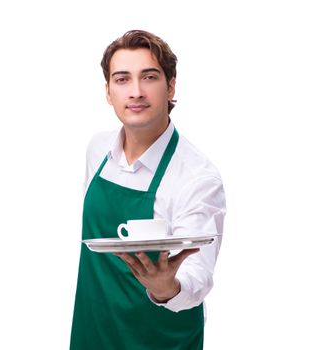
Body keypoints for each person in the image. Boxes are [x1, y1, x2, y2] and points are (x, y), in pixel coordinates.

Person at [70, 29, 226, 350]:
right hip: (94, 329)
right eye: (122, 79)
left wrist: (167, 287)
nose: (136, 92)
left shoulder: (197, 177)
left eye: (150, 77)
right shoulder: (97, 150)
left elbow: (199, 272)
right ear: (108, 91)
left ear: (170, 87)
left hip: (160, 339)